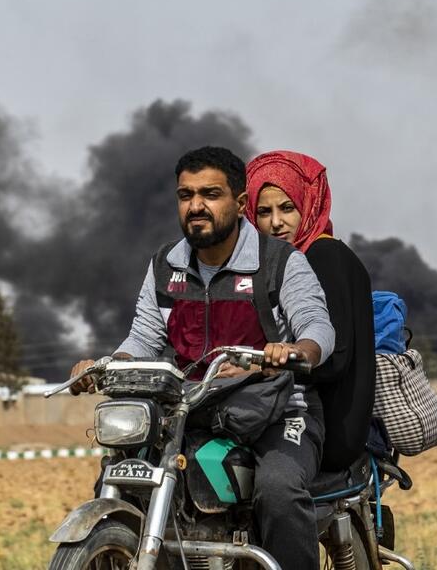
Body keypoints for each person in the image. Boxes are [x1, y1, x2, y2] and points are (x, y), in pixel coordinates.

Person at [69, 145, 335, 569]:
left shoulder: (281, 262)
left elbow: (317, 325)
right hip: (191, 411)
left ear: (241, 203)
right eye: (186, 195)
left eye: (210, 194)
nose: (196, 206)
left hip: (279, 412)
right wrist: (108, 363)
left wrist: (295, 350)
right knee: (125, 475)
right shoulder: (164, 266)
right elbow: (143, 336)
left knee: (278, 487)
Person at [245, 150, 376, 472]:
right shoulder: (272, 264)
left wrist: (259, 366)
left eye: (287, 208)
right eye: (264, 212)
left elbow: (333, 361)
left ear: (308, 204)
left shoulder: (324, 256)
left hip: (329, 428)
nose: (276, 223)